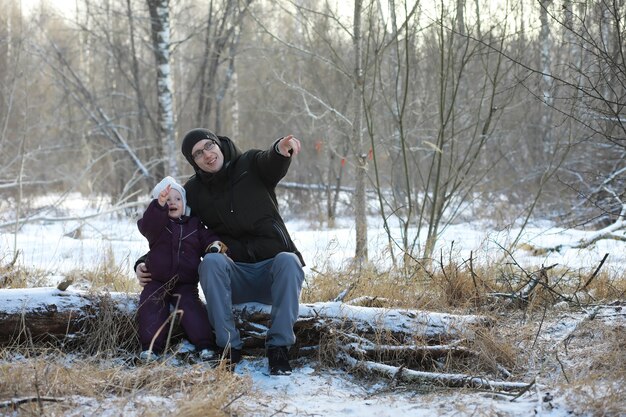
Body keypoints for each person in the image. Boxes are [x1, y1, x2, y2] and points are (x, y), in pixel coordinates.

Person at [136, 130, 305, 375]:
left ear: (219, 144)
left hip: (273, 275)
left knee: (289, 260)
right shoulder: (192, 192)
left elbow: (271, 162)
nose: (207, 154)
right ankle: (228, 347)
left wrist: (280, 148)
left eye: (209, 146)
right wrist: (145, 262)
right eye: (198, 153)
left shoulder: (250, 164)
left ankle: (278, 349)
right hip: (232, 278)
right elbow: (175, 233)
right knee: (212, 262)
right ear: (193, 162)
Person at [136, 176, 225, 362]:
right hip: (157, 281)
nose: (172, 203)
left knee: (192, 309)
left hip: (185, 283)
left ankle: (205, 345)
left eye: (177, 199)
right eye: (167, 200)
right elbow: (147, 226)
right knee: (150, 307)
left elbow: (208, 238)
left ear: (184, 203)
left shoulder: (194, 225)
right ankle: (151, 349)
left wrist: (214, 246)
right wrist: (158, 206)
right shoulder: (158, 226)